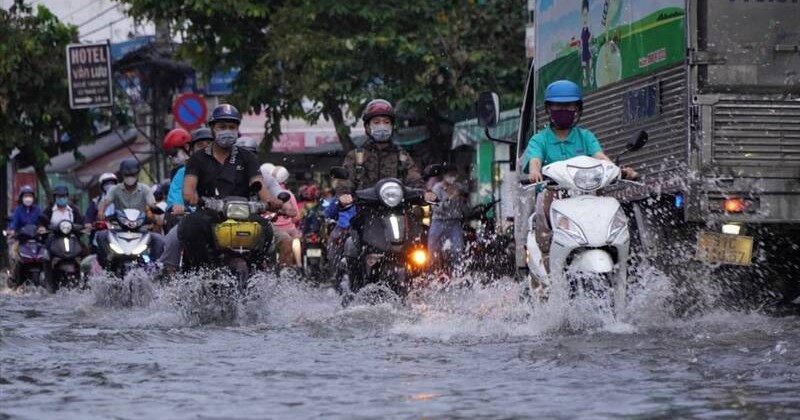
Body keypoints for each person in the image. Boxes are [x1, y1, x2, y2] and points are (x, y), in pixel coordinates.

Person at [521, 79, 637, 270]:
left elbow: (601, 159)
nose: (563, 109)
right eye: (558, 105)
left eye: (569, 105)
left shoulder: (585, 136)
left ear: (578, 108)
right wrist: (535, 172)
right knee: (545, 209)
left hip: (587, 197)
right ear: (549, 109)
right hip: (555, 196)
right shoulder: (540, 139)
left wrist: (620, 172)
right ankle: (549, 271)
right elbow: (535, 160)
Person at [179, 104, 292, 270]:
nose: (227, 131)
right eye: (222, 126)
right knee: (189, 225)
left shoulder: (247, 157)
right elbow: (188, 188)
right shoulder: (197, 159)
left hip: (243, 214)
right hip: (210, 214)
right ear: (212, 128)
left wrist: (272, 202)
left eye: (231, 127)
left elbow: (260, 186)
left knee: (265, 228)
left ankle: (257, 273)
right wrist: (191, 196)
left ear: (237, 129)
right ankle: (202, 273)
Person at [158, 127, 214, 273]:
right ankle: (172, 281)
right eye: (200, 146)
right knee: (172, 239)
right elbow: (176, 195)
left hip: (221, 218)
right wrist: (177, 205)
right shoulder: (183, 172)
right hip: (192, 218)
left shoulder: (226, 168)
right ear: (192, 149)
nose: (205, 149)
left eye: (209, 144)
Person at [95, 159, 165, 267]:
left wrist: (156, 211)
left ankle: (155, 267)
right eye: (127, 175)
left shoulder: (145, 189)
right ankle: (107, 266)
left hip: (140, 228)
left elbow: (152, 204)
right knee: (100, 236)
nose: (130, 177)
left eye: (132, 174)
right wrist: (101, 211)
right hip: (119, 227)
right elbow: (106, 202)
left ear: (137, 174)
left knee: (159, 239)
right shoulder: (115, 189)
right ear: (122, 175)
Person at [428, 164, 469, 269]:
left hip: (454, 222)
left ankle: (458, 271)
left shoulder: (458, 187)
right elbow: (436, 208)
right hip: (439, 222)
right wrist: (450, 198)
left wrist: (462, 195)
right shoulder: (437, 188)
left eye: (454, 175)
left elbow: (465, 197)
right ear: (444, 175)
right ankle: (432, 271)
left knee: (458, 248)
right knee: (432, 249)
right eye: (450, 175)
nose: (452, 177)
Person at [263, 165, 300, 265]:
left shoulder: (270, 186)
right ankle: (296, 264)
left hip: (267, 226)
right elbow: (296, 217)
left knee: (287, 241)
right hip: (287, 229)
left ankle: (284, 274)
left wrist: (287, 209)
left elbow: (287, 206)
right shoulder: (289, 193)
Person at [6, 185, 42, 284]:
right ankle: (13, 276)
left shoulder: (37, 210)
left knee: (46, 255)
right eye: (25, 196)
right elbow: (14, 223)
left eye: (30, 196)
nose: (28, 198)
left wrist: (42, 227)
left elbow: (42, 221)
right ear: (21, 197)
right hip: (21, 240)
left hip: (35, 240)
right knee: (15, 256)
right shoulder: (18, 210)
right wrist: (12, 231)